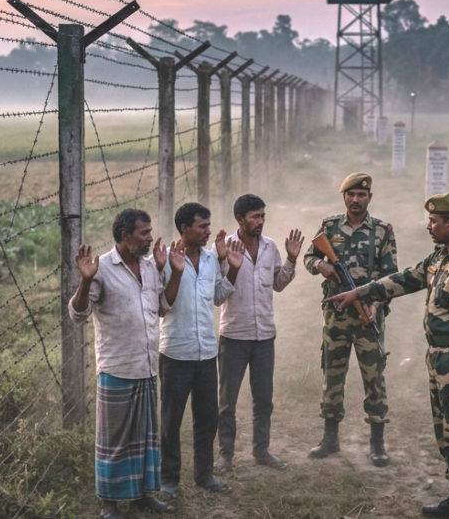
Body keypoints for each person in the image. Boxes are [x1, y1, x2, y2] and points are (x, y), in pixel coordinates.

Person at [325, 193, 449, 519]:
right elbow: (403, 280)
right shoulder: (441, 257)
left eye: (433, 221)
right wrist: (358, 293)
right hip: (438, 358)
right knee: (446, 434)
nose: (428, 226)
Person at [69, 208, 174, 518]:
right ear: (125, 236)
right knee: (114, 441)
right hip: (117, 367)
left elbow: (161, 307)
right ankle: (109, 504)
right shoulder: (101, 268)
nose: (150, 237)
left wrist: (175, 272)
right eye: (144, 233)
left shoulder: (150, 267)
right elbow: (77, 314)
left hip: (146, 366)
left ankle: (140, 497)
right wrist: (85, 281)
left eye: (149, 231)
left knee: (143, 437)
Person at [303, 172, 397, 467]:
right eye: (351, 195)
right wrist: (320, 266)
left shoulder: (382, 231)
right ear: (344, 197)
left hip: (368, 317)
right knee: (332, 376)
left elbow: (391, 277)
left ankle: (377, 443)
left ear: (370, 198)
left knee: (374, 379)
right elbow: (308, 257)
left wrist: (376, 304)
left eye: (361, 195)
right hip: (336, 317)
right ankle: (330, 439)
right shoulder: (329, 227)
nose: (356, 200)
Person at [213, 193, 304, 474]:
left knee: (263, 399)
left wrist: (291, 259)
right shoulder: (224, 249)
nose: (261, 221)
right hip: (234, 336)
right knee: (227, 401)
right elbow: (218, 296)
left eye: (263, 216)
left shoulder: (270, 246)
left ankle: (261, 449)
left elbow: (278, 283)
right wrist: (227, 263)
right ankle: (225, 455)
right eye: (255, 217)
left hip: (264, 335)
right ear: (240, 219)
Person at [157, 202, 244, 496]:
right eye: (202, 226)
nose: (208, 231)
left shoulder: (210, 260)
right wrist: (176, 272)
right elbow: (161, 306)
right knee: (171, 420)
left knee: (207, 418)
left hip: (206, 352)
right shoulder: (165, 261)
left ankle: (204, 475)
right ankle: (169, 479)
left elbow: (218, 297)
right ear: (185, 229)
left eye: (208, 225)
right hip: (175, 352)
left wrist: (233, 269)